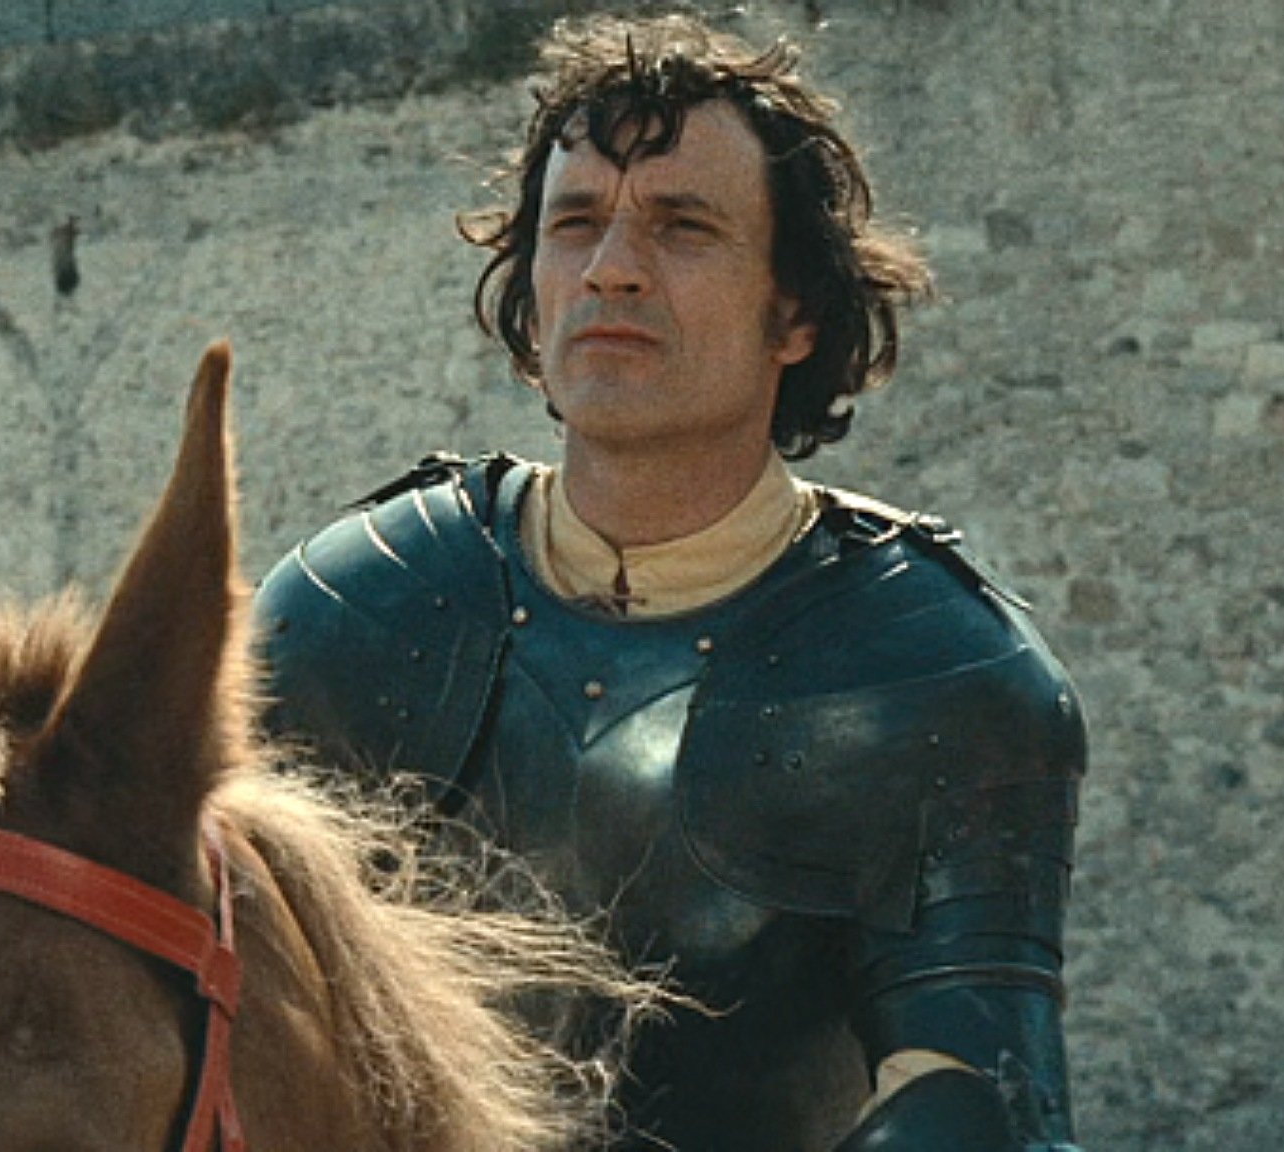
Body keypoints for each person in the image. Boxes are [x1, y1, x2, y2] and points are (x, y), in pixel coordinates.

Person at [253, 13, 1088, 1150]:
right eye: (575, 225)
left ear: (794, 312)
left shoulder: (938, 671)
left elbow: (976, 1108)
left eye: (681, 226)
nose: (610, 268)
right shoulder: (352, 612)